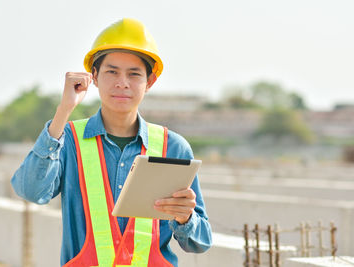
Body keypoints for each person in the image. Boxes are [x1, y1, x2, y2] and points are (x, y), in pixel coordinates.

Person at [11, 18, 212, 267]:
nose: (122, 83)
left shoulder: (173, 147)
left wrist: (185, 218)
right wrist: (63, 111)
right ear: (94, 76)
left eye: (134, 74)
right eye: (111, 71)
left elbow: (200, 242)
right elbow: (30, 190)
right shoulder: (69, 140)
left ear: (150, 82)